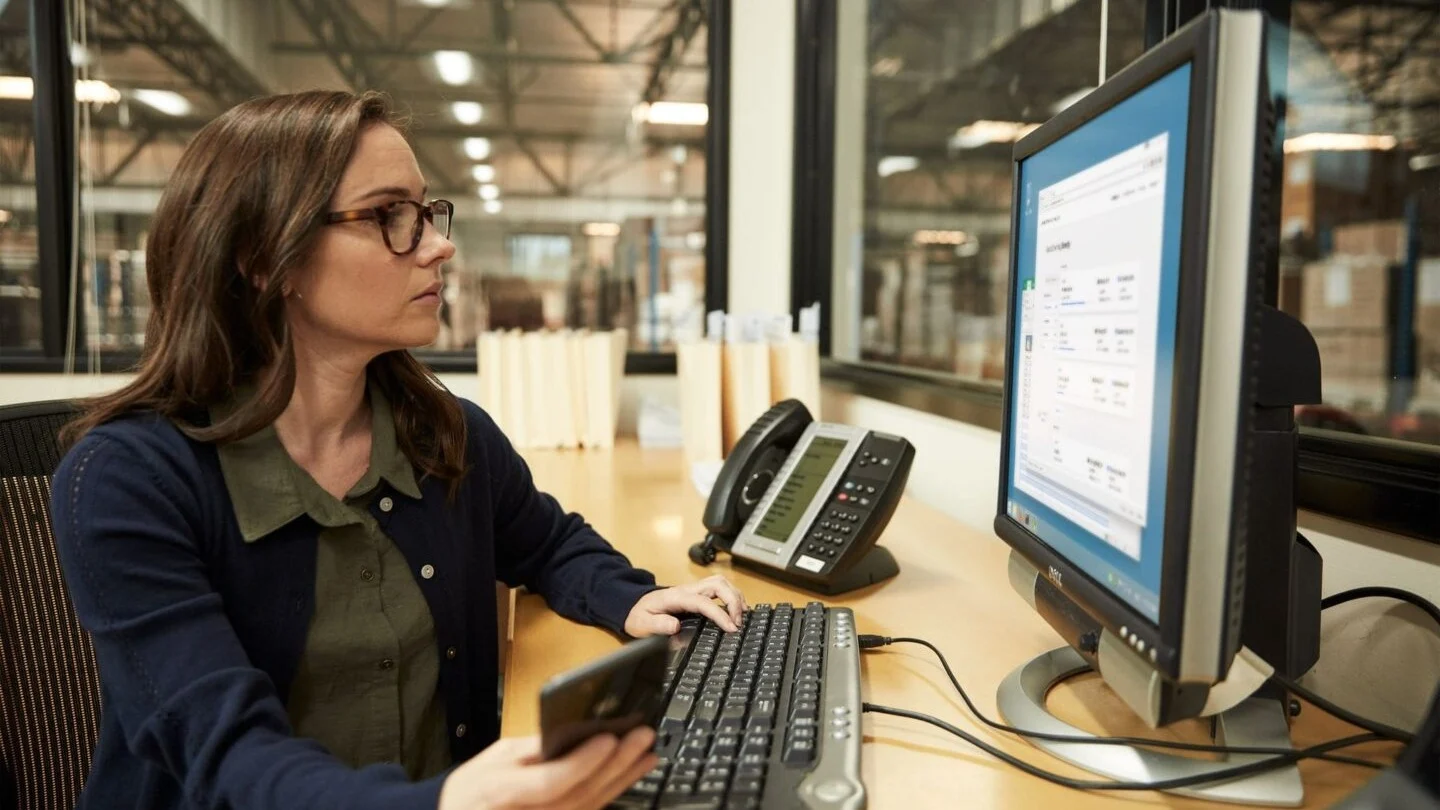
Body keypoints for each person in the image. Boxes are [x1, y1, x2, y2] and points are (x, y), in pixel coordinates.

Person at [51, 90, 747, 810]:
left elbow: (547, 544)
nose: (439, 245)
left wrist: (631, 597)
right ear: (265, 260)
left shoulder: (445, 434)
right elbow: (225, 753)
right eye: (390, 217)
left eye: (427, 212)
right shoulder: (125, 482)